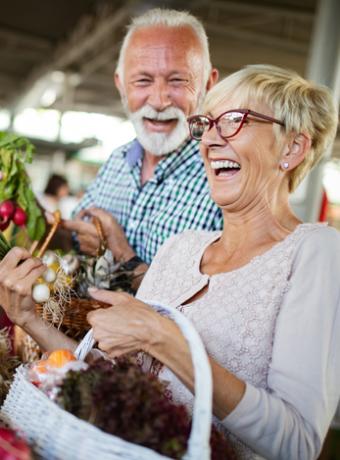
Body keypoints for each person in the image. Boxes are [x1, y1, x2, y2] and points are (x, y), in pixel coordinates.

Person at [1, 64, 339, 460]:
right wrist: (30, 320)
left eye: (233, 121)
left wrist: (164, 339)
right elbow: (119, 387)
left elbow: (297, 444)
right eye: (206, 124)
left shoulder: (315, 251)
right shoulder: (179, 248)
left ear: (293, 148)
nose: (210, 140)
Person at [60, 8, 221, 282]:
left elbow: (211, 306)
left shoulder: (224, 178)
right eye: (143, 80)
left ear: (208, 84)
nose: (159, 101)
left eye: (178, 80)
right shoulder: (117, 160)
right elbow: (71, 241)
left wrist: (121, 252)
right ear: (121, 85)